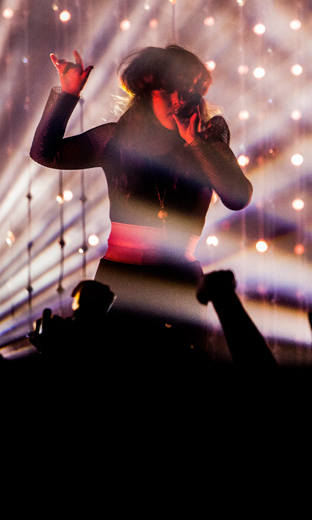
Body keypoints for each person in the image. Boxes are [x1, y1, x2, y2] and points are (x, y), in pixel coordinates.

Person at [31, 46, 253, 354]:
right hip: (121, 281)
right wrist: (68, 93)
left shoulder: (210, 134)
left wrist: (195, 143)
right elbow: (45, 153)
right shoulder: (114, 139)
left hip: (180, 281)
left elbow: (238, 198)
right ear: (149, 92)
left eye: (190, 90)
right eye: (171, 89)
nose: (181, 99)